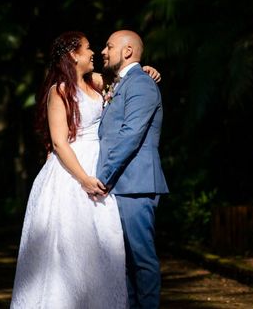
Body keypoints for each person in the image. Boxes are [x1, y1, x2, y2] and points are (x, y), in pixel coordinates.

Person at [10, 31, 160, 309]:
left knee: (103, 245)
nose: (95, 52)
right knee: (68, 245)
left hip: (100, 165)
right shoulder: (59, 91)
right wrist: (84, 179)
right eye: (89, 48)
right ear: (73, 55)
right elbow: (58, 141)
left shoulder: (98, 82)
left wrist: (147, 69)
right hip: (74, 171)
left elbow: (127, 81)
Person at [94, 29, 169, 309]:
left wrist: (101, 179)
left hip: (135, 184)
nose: (103, 51)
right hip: (119, 185)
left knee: (141, 260)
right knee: (123, 264)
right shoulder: (120, 84)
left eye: (109, 46)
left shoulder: (141, 84)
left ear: (127, 51)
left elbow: (130, 135)